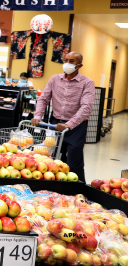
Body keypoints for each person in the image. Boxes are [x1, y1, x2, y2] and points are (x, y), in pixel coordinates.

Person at [32, 52, 94, 183]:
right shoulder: (55, 79)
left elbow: (86, 107)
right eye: (66, 60)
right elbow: (43, 99)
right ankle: (53, 186)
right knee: (52, 158)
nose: (67, 63)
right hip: (55, 124)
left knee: (74, 160)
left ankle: (76, 188)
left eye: (72, 61)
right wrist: (38, 115)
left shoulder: (87, 83)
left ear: (79, 65)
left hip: (76, 127)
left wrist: (69, 124)